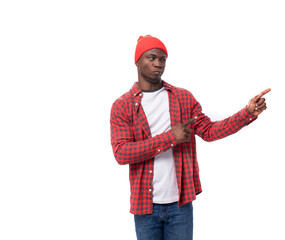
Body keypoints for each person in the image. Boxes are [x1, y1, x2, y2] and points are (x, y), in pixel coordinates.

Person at [110, 35, 270, 240]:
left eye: (163, 59)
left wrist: (246, 113)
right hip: (145, 206)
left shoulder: (182, 98)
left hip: (180, 205)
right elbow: (122, 153)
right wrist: (170, 137)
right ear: (138, 61)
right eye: (152, 58)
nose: (158, 64)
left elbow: (210, 131)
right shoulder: (122, 106)